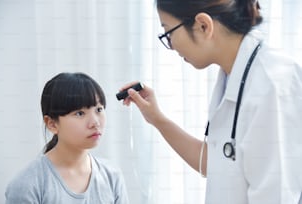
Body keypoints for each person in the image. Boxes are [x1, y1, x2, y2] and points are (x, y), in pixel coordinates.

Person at [119, 0, 302, 203]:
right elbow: (217, 163)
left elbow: (276, 196)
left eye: (169, 33)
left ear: (203, 25)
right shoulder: (232, 75)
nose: (171, 46)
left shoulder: (273, 83)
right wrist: (157, 119)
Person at [5, 72, 129, 204]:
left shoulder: (112, 176)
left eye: (99, 110)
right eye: (80, 113)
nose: (95, 122)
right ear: (52, 124)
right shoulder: (27, 185)